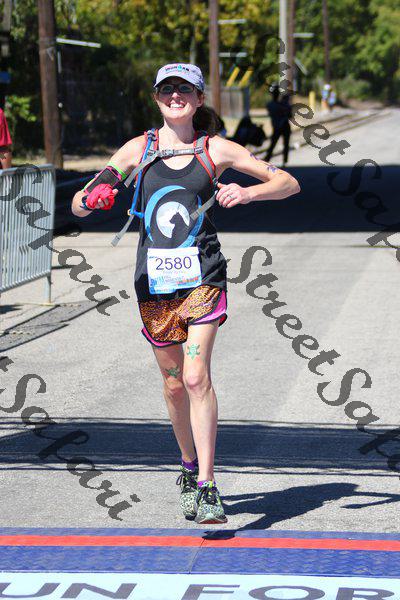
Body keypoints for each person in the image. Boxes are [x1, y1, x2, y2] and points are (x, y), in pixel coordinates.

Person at [71, 63, 300, 525]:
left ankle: (209, 486)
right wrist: (94, 199)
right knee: (174, 383)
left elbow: (287, 183)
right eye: (166, 90)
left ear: (198, 99)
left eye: (184, 90)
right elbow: (79, 203)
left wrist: (248, 194)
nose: (175, 96)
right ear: (156, 97)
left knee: (196, 377)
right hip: (155, 286)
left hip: (204, 279)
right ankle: (189, 466)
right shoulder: (139, 149)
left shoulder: (215, 149)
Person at [265, 85, 292, 166]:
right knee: (278, 144)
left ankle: (268, 159)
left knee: (276, 144)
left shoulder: (271, 104)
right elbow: (289, 115)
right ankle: (283, 161)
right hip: (280, 126)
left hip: (279, 126)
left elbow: (289, 114)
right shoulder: (277, 105)